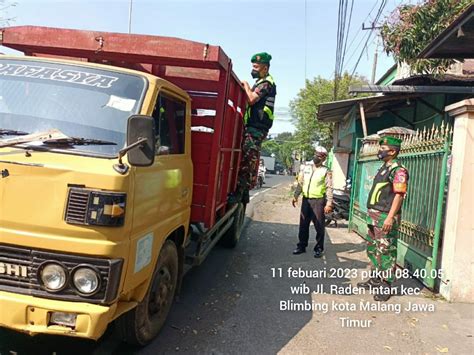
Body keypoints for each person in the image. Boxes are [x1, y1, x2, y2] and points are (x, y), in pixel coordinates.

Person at [357, 136, 409, 302]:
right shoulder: (383, 167)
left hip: (385, 216)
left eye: (383, 148)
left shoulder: (398, 170)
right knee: (373, 248)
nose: (380, 150)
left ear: (392, 151)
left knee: (386, 250)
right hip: (374, 215)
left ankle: (386, 284)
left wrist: (390, 218)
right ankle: (375, 279)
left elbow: (399, 196)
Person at [231, 52, 276, 203]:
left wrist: (245, 86)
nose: (253, 69)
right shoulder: (261, 82)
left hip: (258, 128)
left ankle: (239, 193)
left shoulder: (266, 83)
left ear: (265, 68)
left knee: (248, 158)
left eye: (256, 67)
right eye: (253, 66)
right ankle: (243, 193)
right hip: (253, 126)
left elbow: (251, 99)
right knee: (247, 156)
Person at [292, 147, 333, 258]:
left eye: (319, 156)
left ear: (324, 158)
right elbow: (301, 183)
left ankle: (319, 248)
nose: (316, 157)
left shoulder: (326, 170)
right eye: (316, 154)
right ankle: (301, 246)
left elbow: (329, 187)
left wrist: (329, 203)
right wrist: (296, 195)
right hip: (306, 200)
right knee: (303, 224)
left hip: (318, 201)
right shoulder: (306, 168)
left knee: (319, 226)